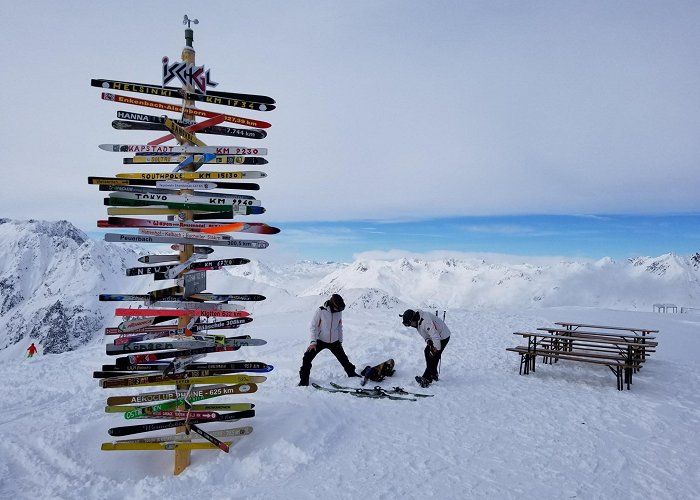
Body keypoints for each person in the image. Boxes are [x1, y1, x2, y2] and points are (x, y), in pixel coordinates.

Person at [299, 294, 359, 386]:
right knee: (307, 358)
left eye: (341, 309)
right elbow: (313, 326)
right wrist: (313, 342)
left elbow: (339, 326)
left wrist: (340, 340)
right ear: (332, 304)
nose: (339, 311)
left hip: (334, 341)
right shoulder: (321, 311)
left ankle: (352, 373)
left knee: (344, 359)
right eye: (338, 308)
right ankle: (304, 381)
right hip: (320, 340)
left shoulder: (339, 311)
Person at [401, 309, 451, 388]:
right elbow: (423, 332)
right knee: (427, 351)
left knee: (434, 356)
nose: (411, 326)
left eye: (410, 324)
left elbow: (436, 336)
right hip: (435, 336)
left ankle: (426, 378)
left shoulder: (425, 322)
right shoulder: (417, 320)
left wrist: (436, 349)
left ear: (413, 319)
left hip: (443, 336)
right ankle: (433, 374)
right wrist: (427, 340)